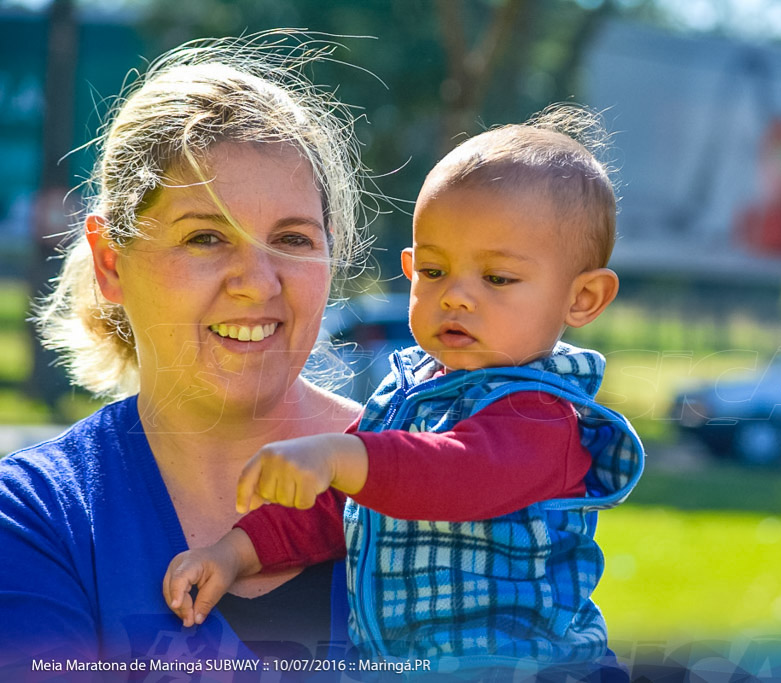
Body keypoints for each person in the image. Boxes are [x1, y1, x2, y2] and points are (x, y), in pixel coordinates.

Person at [163, 106, 645, 678]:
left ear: (583, 298)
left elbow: (453, 477)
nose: (457, 297)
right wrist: (234, 553)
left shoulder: (541, 418)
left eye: (497, 278)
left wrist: (341, 455)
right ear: (411, 270)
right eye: (435, 272)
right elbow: (334, 506)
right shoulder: (410, 397)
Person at [0, 32, 378, 670]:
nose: (258, 282)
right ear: (111, 262)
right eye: (205, 237)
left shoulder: (437, 473)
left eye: (292, 238)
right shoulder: (39, 518)